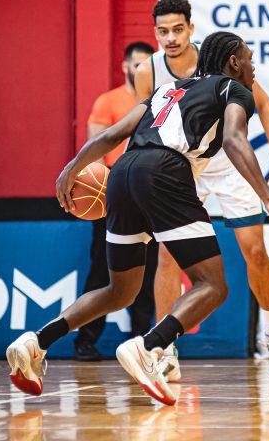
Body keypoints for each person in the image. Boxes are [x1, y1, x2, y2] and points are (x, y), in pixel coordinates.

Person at [5, 31, 269, 406]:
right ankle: (149, 348)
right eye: (249, 58)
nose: (253, 66)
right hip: (166, 173)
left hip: (122, 174)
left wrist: (72, 167)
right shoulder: (234, 89)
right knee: (213, 286)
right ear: (233, 62)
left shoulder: (167, 90)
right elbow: (233, 139)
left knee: (120, 291)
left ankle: (36, 342)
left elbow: (114, 134)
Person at [135, 0, 269, 381]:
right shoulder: (148, 71)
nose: (171, 38)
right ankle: (164, 349)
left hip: (229, 164)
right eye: (163, 31)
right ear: (155, 33)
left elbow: (265, 105)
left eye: (178, 29)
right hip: (182, 168)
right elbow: (145, 124)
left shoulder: (219, 59)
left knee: (254, 250)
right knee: (167, 257)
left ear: (191, 29)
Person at [74, 41, 158, 361]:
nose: (141, 69)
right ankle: (85, 340)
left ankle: (141, 342)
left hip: (148, 192)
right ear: (125, 66)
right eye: (136, 64)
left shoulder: (161, 101)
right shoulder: (108, 101)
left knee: (147, 270)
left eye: (146, 64)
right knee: (102, 270)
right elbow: (95, 150)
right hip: (112, 193)